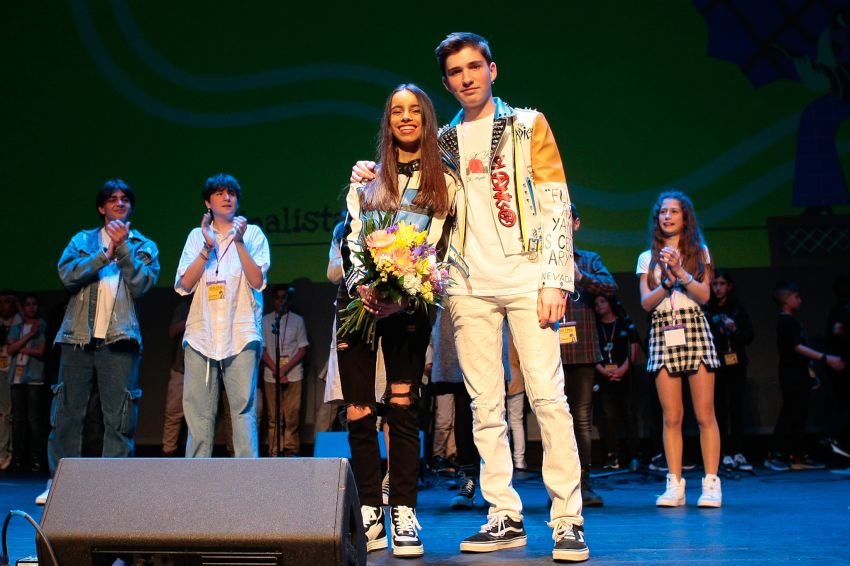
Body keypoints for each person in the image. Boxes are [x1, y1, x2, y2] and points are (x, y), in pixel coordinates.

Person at [356, 32, 588, 561]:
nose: (467, 77)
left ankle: (567, 519)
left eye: (474, 67)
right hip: (466, 286)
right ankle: (503, 515)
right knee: (485, 406)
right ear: (447, 82)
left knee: (548, 399)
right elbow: (409, 199)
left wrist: (556, 280)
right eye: (456, 71)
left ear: (492, 69)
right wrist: (364, 175)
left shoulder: (529, 125)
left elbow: (556, 204)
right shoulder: (443, 143)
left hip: (530, 279)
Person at [338, 83, 454, 558]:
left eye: (415, 112)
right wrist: (363, 287)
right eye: (396, 112)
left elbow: (443, 250)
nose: (405, 118)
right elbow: (350, 239)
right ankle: (370, 508)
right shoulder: (366, 178)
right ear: (387, 123)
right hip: (360, 305)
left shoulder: (443, 180)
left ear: (427, 120)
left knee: (404, 410)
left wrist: (405, 300)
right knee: (359, 411)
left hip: (411, 307)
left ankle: (404, 510)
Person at [40, 179, 159, 504]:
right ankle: (60, 481)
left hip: (120, 340)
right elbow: (67, 275)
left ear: (130, 206)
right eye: (112, 199)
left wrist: (122, 250)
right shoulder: (82, 240)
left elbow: (142, 284)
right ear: (101, 207)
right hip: (77, 338)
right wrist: (105, 253)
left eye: (124, 199)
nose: (119, 203)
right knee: (67, 412)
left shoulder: (143, 245)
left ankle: (114, 487)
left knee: (118, 416)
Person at [637, 190, 722, 508]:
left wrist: (682, 273)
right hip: (663, 330)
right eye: (662, 211)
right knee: (672, 415)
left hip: (694, 328)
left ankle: (711, 483)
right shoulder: (647, 258)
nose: (667, 216)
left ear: (685, 217)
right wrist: (666, 282)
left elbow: (704, 295)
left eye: (674, 211)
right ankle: (674, 484)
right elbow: (646, 303)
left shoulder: (699, 253)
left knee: (704, 413)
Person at [176, 173, 269, 458]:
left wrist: (239, 243)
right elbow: (183, 284)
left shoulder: (253, 234)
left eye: (231, 193)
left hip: (240, 333)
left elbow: (257, 281)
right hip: (201, 335)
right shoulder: (196, 236)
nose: (226, 197)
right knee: (199, 414)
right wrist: (206, 247)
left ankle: (247, 483)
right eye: (219, 193)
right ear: (207, 202)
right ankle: (196, 481)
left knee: (243, 411)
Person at [560, 203, 618, 507]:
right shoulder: (540, 260)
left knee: (581, 418)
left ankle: (583, 483)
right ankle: (559, 486)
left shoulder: (590, 259)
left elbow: (611, 287)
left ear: (577, 224)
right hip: (549, 350)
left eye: (565, 218)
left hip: (582, 350)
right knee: (555, 419)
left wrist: (582, 278)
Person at [767, 281, 845, 470]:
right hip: (791, 374)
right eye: (796, 297)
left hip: (801, 373)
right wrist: (826, 358)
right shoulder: (785, 321)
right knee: (790, 413)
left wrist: (811, 373)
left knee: (800, 414)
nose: (800, 300)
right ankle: (776, 454)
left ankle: (797, 455)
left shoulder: (793, 321)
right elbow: (797, 347)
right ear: (786, 300)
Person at [705, 269, 755, 472]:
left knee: (736, 407)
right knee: (719, 408)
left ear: (729, 286)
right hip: (717, 364)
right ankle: (723, 452)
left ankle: (738, 451)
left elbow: (749, 336)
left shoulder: (739, 309)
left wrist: (734, 329)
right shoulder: (708, 309)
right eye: (715, 284)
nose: (718, 288)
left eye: (722, 284)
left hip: (737, 363)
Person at [593, 294, 640, 472]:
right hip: (604, 378)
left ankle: (634, 456)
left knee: (628, 415)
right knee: (608, 418)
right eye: (596, 303)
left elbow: (633, 347)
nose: (599, 306)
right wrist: (604, 371)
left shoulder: (624, 324)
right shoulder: (595, 327)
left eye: (602, 301)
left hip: (624, 376)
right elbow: (592, 350)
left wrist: (622, 369)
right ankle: (613, 456)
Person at [261, 285, 309, 457]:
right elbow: (263, 349)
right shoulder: (266, 320)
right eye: (277, 298)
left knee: (292, 416)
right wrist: (277, 370)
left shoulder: (297, 320)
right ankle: (274, 450)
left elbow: (302, 349)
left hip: (293, 374)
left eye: (284, 297)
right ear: (273, 300)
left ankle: (291, 450)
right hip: (271, 375)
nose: (281, 301)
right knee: (274, 417)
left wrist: (284, 370)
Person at [6, 293, 47, 472]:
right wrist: (29, 335)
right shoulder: (18, 327)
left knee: (33, 420)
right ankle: (17, 459)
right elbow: (10, 349)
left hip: (34, 378)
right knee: (18, 420)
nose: (31, 307)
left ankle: (35, 459)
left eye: (34, 304)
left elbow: (40, 351)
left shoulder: (42, 325)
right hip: (17, 377)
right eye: (27, 304)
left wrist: (20, 346)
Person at [160, 298, 190, 456]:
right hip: (181, 368)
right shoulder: (184, 307)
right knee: (173, 413)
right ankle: (168, 451)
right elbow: (172, 331)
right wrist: (193, 317)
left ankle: (198, 456)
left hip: (206, 371)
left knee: (201, 416)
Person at [0, 290, 22, 472]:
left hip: (12, 371)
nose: (4, 305)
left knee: (7, 414)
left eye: (8, 302)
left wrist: (19, 306)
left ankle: (6, 454)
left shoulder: (18, 323)